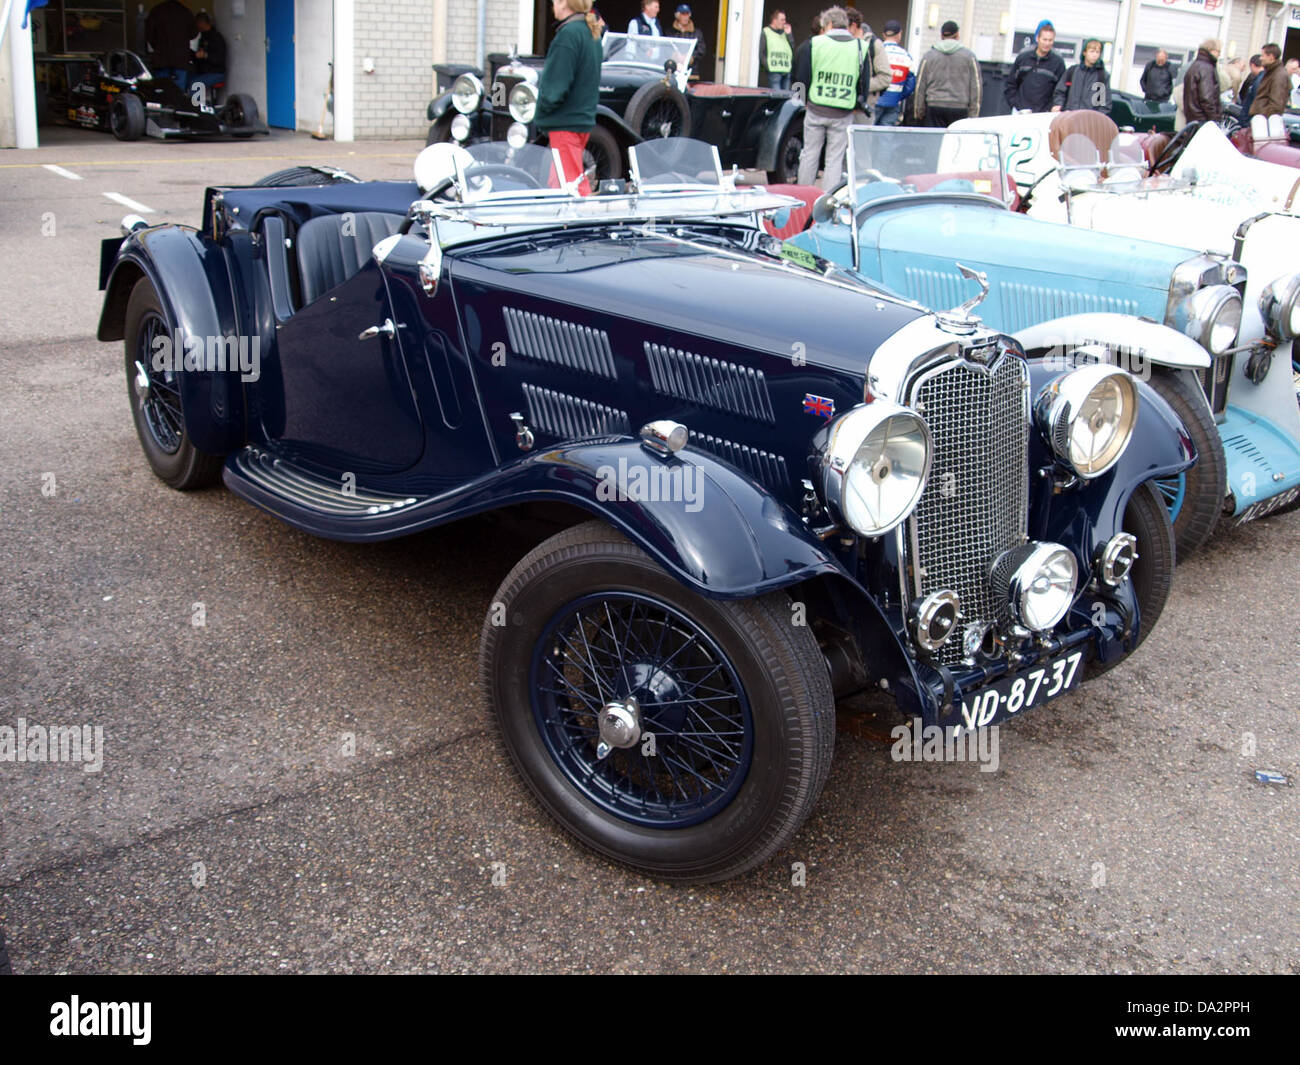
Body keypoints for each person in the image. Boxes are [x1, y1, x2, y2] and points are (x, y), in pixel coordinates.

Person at [794, 7, 874, 189]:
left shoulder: (814, 44)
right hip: (843, 112)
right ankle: (828, 201)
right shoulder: (860, 46)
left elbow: (802, 77)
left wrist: (801, 101)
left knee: (809, 154)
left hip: (815, 108)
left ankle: (803, 196)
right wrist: (857, 103)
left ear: (829, 24)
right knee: (834, 159)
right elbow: (864, 82)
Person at [537, 0, 603, 196]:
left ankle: (585, 224)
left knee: (572, 188)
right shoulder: (589, 32)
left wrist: (541, 110)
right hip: (580, 121)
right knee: (557, 184)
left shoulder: (568, 35)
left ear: (564, 3)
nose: (552, 5)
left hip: (565, 123)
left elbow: (556, 86)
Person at [913, 20, 980, 127]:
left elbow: (920, 85)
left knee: (935, 141)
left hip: (934, 105)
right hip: (960, 107)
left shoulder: (929, 56)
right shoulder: (969, 57)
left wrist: (919, 111)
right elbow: (976, 86)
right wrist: (974, 113)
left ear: (941, 35)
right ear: (957, 35)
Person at [1005, 19, 1065, 113]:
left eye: (1050, 40)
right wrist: (1015, 104)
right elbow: (1011, 83)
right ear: (1037, 38)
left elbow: (1060, 90)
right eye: (1044, 39)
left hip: (1043, 114)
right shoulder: (1023, 57)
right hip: (1020, 111)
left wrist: (1052, 107)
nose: (1047, 43)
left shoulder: (1058, 62)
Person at [145, 0, 197, 90]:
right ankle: (177, 103)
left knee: (161, 90)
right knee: (179, 91)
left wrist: (157, 46)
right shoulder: (185, 12)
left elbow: (149, 33)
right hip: (180, 58)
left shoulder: (157, 11)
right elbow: (193, 33)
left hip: (161, 57)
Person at [1052, 38, 1110, 113]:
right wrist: (1059, 105)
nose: (1094, 55)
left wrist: (1095, 117)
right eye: (1092, 51)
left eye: (1097, 52)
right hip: (1069, 116)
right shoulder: (1072, 71)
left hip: (1089, 120)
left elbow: (1104, 104)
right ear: (1084, 52)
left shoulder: (1102, 76)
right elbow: (1060, 92)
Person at [874, 19, 913, 127]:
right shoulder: (906, 56)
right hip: (894, 102)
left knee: (868, 135)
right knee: (886, 139)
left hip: (875, 100)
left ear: (883, 35)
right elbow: (910, 85)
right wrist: (899, 96)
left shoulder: (875, 52)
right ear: (899, 34)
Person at [1183, 38, 1223, 124]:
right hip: (1203, 119)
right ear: (1211, 50)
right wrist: (1215, 119)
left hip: (1192, 117)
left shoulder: (1195, 65)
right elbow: (1206, 98)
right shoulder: (1206, 68)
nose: (1219, 55)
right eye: (1218, 51)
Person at [190, 11, 228, 102]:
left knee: (196, 84)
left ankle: (197, 110)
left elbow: (219, 59)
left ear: (202, 23)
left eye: (197, 23)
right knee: (186, 79)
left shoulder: (216, 38)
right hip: (205, 72)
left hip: (216, 73)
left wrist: (206, 55)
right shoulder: (203, 37)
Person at [1251, 44, 1291, 119]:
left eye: (1263, 55)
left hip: (1264, 121)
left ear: (1271, 57)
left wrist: (1262, 117)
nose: (1260, 58)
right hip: (1261, 118)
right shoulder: (1271, 72)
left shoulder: (1278, 75)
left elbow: (1276, 105)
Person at [665, 4, 706, 73]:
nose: (686, 17)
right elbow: (665, 48)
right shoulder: (669, 32)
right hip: (674, 69)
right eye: (683, 14)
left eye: (687, 14)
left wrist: (690, 57)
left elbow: (701, 49)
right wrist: (675, 56)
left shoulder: (697, 33)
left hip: (692, 71)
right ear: (677, 16)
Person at [759, 10, 794, 91]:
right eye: (782, 20)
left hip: (786, 70)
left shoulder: (785, 33)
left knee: (785, 99)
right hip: (774, 72)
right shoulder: (766, 32)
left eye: (785, 20)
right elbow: (761, 53)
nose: (784, 22)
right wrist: (769, 67)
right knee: (777, 97)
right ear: (774, 20)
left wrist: (789, 35)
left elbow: (792, 48)